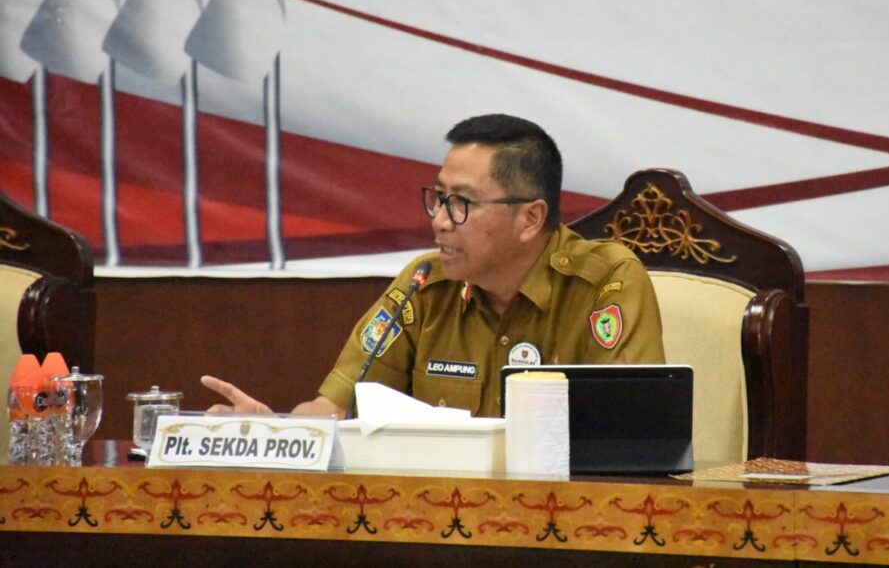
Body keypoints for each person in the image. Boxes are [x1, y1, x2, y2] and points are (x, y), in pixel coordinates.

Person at [202, 113, 665, 417]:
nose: (439, 221)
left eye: (461, 203)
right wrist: (277, 430)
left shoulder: (604, 283)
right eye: (438, 198)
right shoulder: (424, 284)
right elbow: (336, 410)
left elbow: (630, 437)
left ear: (530, 218)